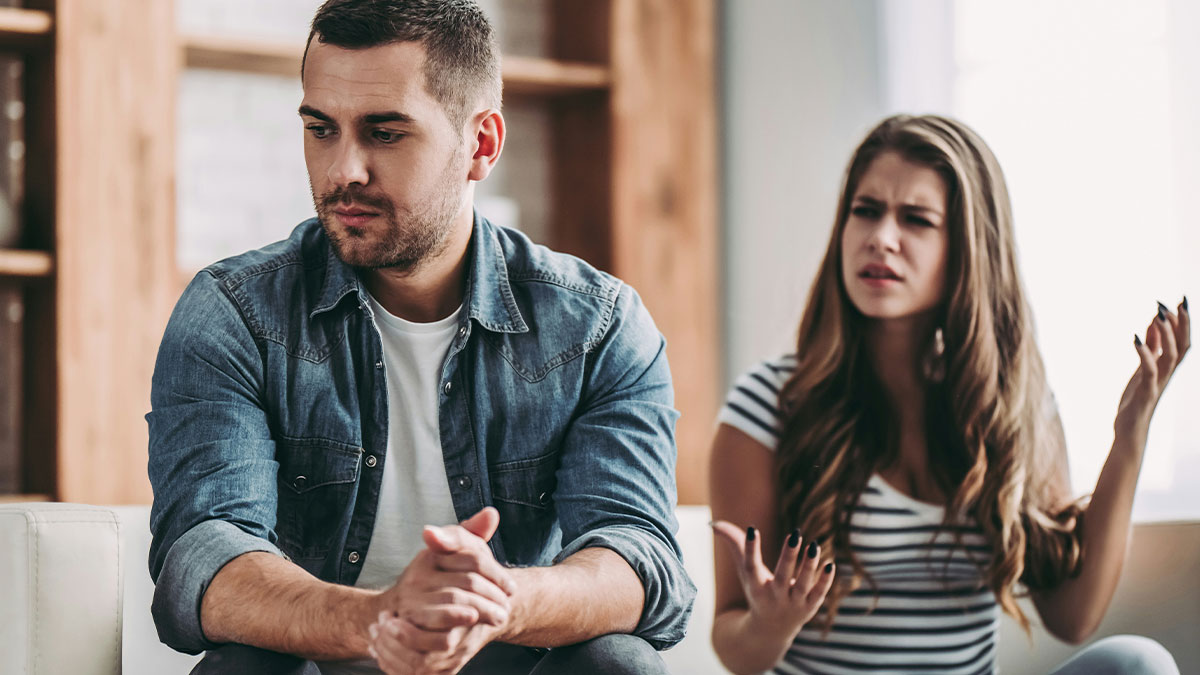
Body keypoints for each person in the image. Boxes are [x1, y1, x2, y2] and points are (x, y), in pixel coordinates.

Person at [146, 1, 694, 673]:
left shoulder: (597, 325)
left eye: (384, 133)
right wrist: (379, 618)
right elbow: (201, 555)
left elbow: (640, 557)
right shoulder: (234, 313)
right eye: (321, 128)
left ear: (481, 144)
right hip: (324, 660)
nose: (344, 169)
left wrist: (498, 602)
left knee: (620, 661)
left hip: (510, 662)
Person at [709, 114, 1188, 675]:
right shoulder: (767, 405)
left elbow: (1072, 617)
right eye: (865, 210)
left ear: (969, 247)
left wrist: (1130, 434)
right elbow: (733, 647)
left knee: (1137, 663)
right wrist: (772, 623)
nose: (880, 237)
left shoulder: (1014, 404)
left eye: (916, 219)